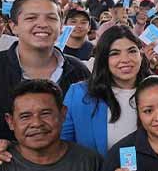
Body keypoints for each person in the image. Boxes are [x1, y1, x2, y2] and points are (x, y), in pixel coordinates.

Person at [0, 0, 90, 140]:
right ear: (13, 26)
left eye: (51, 18)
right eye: (31, 18)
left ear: (61, 26)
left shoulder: (78, 71)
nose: (43, 24)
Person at [62, 25, 151, 155]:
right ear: (103, 59)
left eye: (132, 51)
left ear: (141, 55)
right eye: (114, 53)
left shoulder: (157, 90)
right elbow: (63, 146)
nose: (125, 60)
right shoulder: (79, 94)